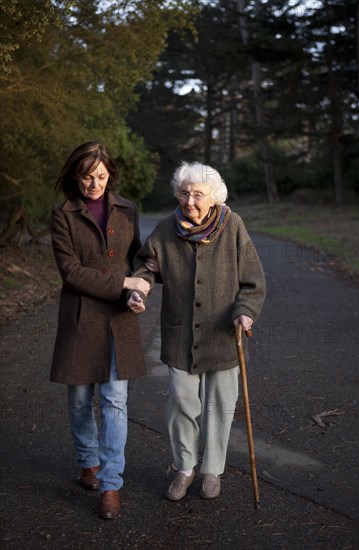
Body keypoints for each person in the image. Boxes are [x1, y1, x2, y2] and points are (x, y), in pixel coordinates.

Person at [128, 161, 266, 501]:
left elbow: (253, 282)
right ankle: (185, 467)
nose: (189, 201)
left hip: (223, 335)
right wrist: (138, 289)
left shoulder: (232, 226)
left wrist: (245, 313)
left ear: (214, 197)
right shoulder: (165, 230)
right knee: (181, 403)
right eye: (184, 193)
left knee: (220, 405)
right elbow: (145, 267)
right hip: (180, 337)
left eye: (198, 194)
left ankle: (212, 471)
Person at [50, 141, 150, 519]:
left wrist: (138, 291)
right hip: (79, 319)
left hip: (119, 321)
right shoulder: (63, 215)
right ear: (75, 176)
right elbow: (71, 272)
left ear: (110, 175)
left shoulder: (127, 210)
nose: (95, 184)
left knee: (115, 402)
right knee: (79, 400)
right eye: (88, 176)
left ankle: (111, 484)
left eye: (102, 177)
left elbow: (139, 262)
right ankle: (87, 461)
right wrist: (124, 285)